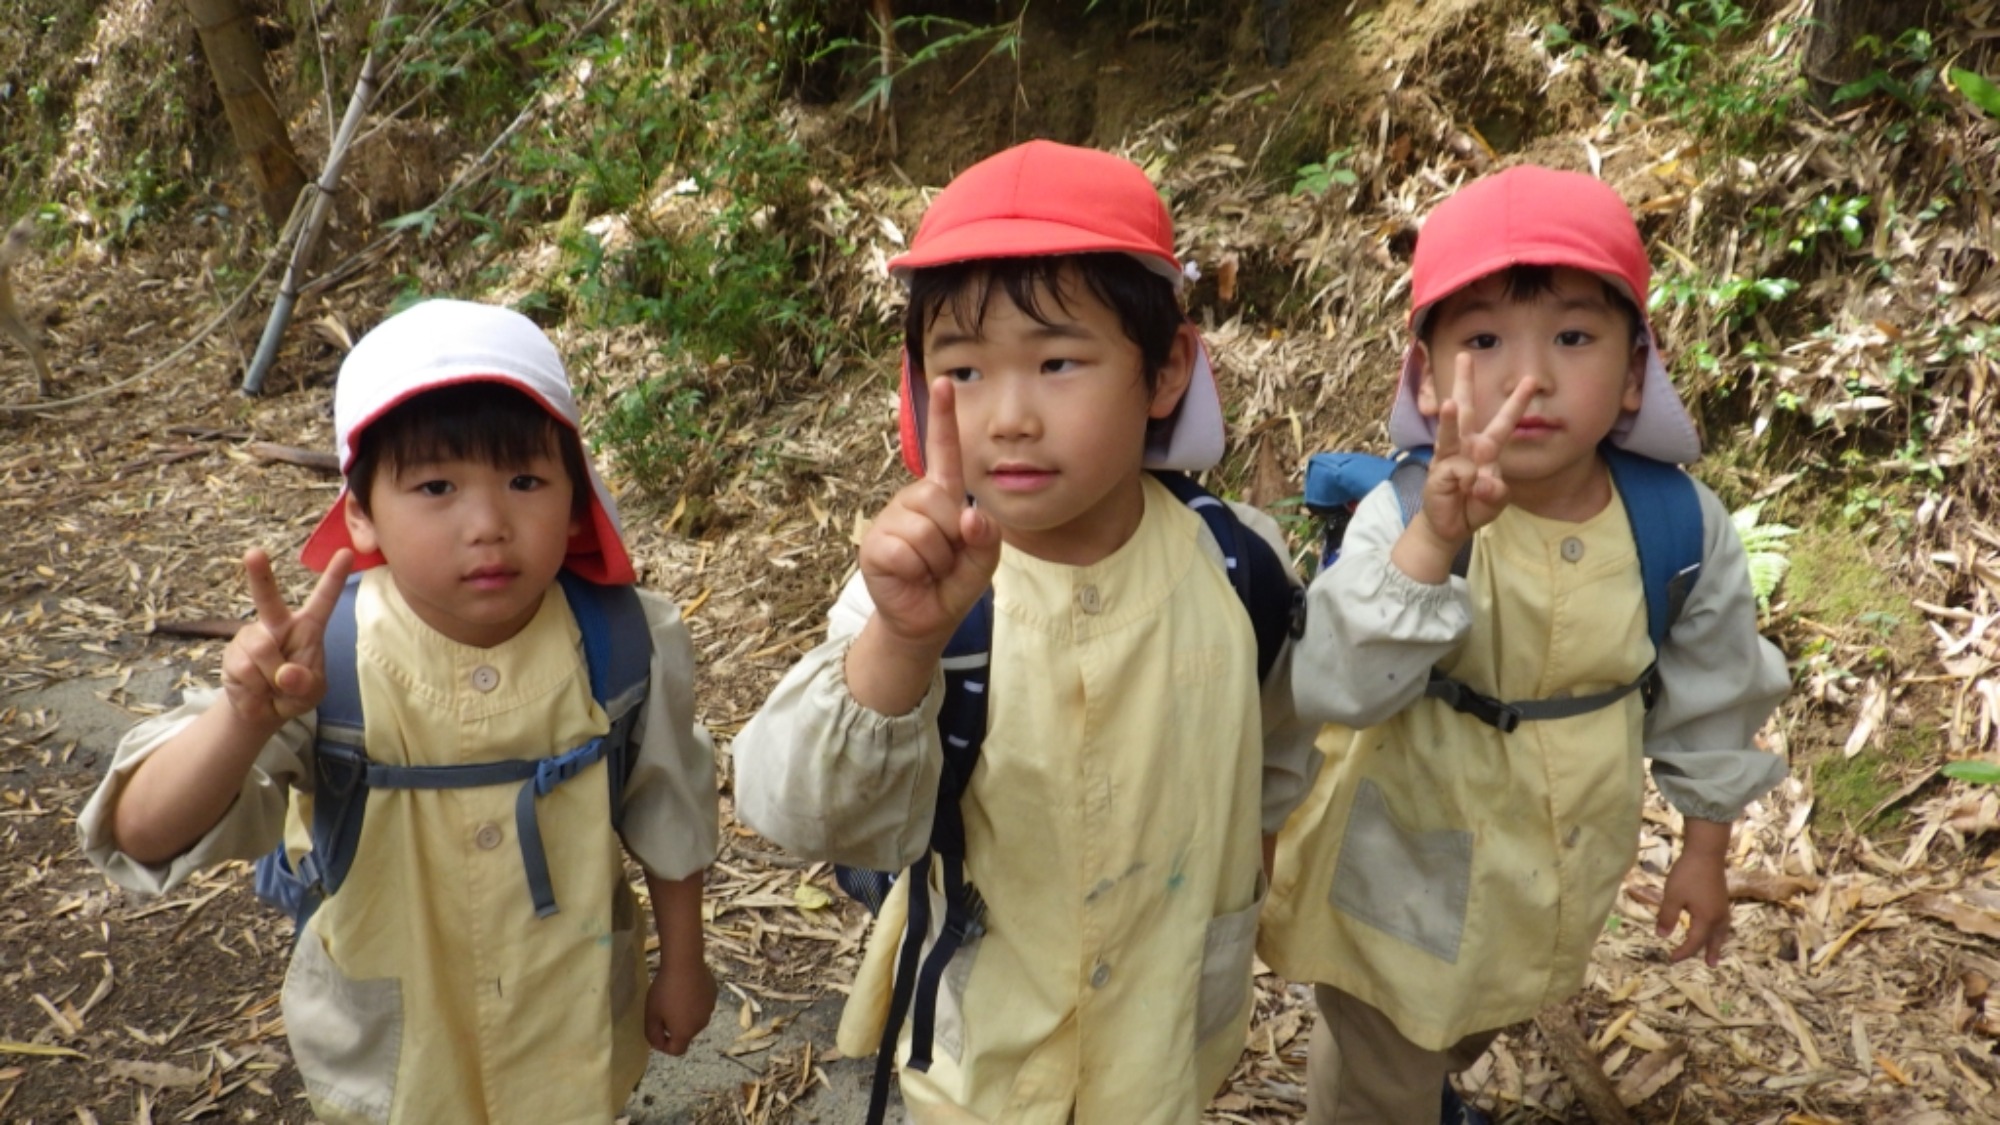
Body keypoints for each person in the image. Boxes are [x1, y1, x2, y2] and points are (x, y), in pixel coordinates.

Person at [731, 140, 1316, 1122]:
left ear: (1166, 368)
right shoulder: (917, 583)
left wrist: (1248, 867)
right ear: (918, 387)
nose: (1006, 417)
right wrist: (902, 642)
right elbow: (794, 809)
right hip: (974, 1061)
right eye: (961, 368)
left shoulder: (1238, 564)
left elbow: (1277, 745)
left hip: (1164, 1042)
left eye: (1055, 362)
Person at [78, 299, 719, 1124]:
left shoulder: (627, 641)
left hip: (573, 1022)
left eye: (525, 480)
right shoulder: (323, 663)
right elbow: (142, 833)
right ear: (360, 511)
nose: (487, 525)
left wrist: (684, 962)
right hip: (393, 1053)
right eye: (435, 486)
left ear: (574, 497)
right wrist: (244, 716)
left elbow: (667, 805)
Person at [1259, 164, 1791, 1124]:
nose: (1529, 376)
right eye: (1484, 340)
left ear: (1635, 369)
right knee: (1387, 1044)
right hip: (1399, 855)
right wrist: (1435, 543)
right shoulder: (1408, 509)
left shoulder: (1676, 525)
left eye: (1575, 337)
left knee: (1476, 1008)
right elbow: (1336, 679)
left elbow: (1712, 694)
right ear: (1427, 372)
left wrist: (1703, 848)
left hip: (1550, 861)